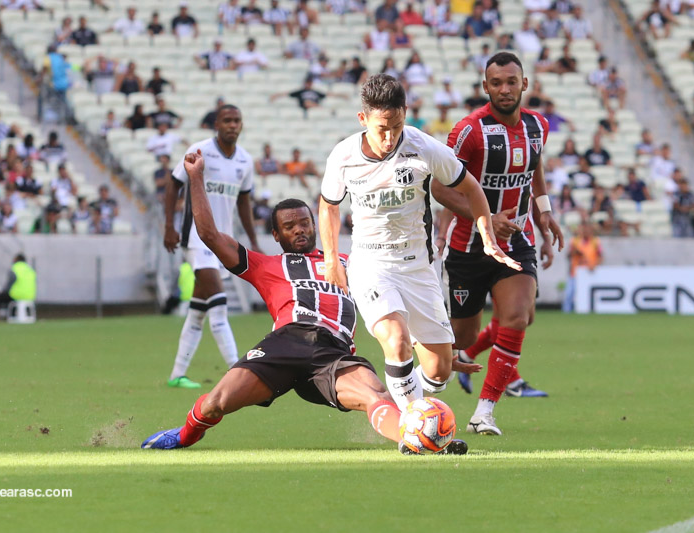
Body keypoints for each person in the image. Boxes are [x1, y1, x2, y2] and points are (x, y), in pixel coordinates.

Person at [141, 152, 468, 456]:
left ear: (316, 225)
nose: (299, 230)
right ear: (276, 235)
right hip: (284, 344)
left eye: (304, 223)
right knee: (215, 403)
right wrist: (196, 178)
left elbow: (392, 304)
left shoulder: (352, 263)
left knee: (376, 395)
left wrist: (431, 348)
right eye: (289, 226)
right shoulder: (265, 266)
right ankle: (184, 435)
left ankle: (417, 439)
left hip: (334, 350)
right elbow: (210, 234)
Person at [319, 74, 511, 412]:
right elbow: (328, 207)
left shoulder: (424, 147)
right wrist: (333, 260)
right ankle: (414, 426)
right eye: (382, 128)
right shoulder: (344, 156)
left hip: (419, 266)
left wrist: (487, 235)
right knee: (396, 341)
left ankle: (392, 401)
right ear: (363, 120)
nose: (390, 136)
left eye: (396, 125)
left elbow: (472, 190)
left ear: (405, 112)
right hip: (371, 265)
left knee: (439, 371)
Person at [432, 52, 564, 435]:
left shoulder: (538, 125)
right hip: (469, 246)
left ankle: (484, 412)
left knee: (519, 317)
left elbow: (534, 167)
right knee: (462, 339)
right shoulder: (469, 131)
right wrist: (486, 218)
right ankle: (418, 375)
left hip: (517, 239)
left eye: (511, 81)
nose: (504, 89)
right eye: (496, 83)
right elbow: (440, 188)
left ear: (525, 84)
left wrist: (543, 212)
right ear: (485, 87)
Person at [162, 105, 262, 389]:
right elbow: (172, 185)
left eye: (237, 121)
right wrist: (168, 226)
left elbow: (243, 201)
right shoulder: (200, 150)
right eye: (227, 120)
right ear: (216, 124)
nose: (232, 125)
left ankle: (176, 375)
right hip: (196, 236)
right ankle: (238, 372)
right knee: (219, 305)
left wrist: (253, 241)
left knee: (198, 310)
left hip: (223, 241)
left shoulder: (245, 160)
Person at [562, 221, 602, 312]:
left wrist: (594, 265)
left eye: (588, 229)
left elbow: (600, 256)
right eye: (584, 229)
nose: (586, 231)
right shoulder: (575, 241)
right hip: (575, 272)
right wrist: (575, 252)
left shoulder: (596, 241)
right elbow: (568, 255)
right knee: (569, 294)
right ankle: (565, 314)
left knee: (585, 295)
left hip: (590, 272)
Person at [0, 254, 37, 321]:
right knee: (12, 300)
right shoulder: (30, 270)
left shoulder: (15, 268)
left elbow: (9, 284)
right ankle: (14, 316)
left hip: (17, 295)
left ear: (16, 260)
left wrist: (3, 292)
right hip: (30, 296)